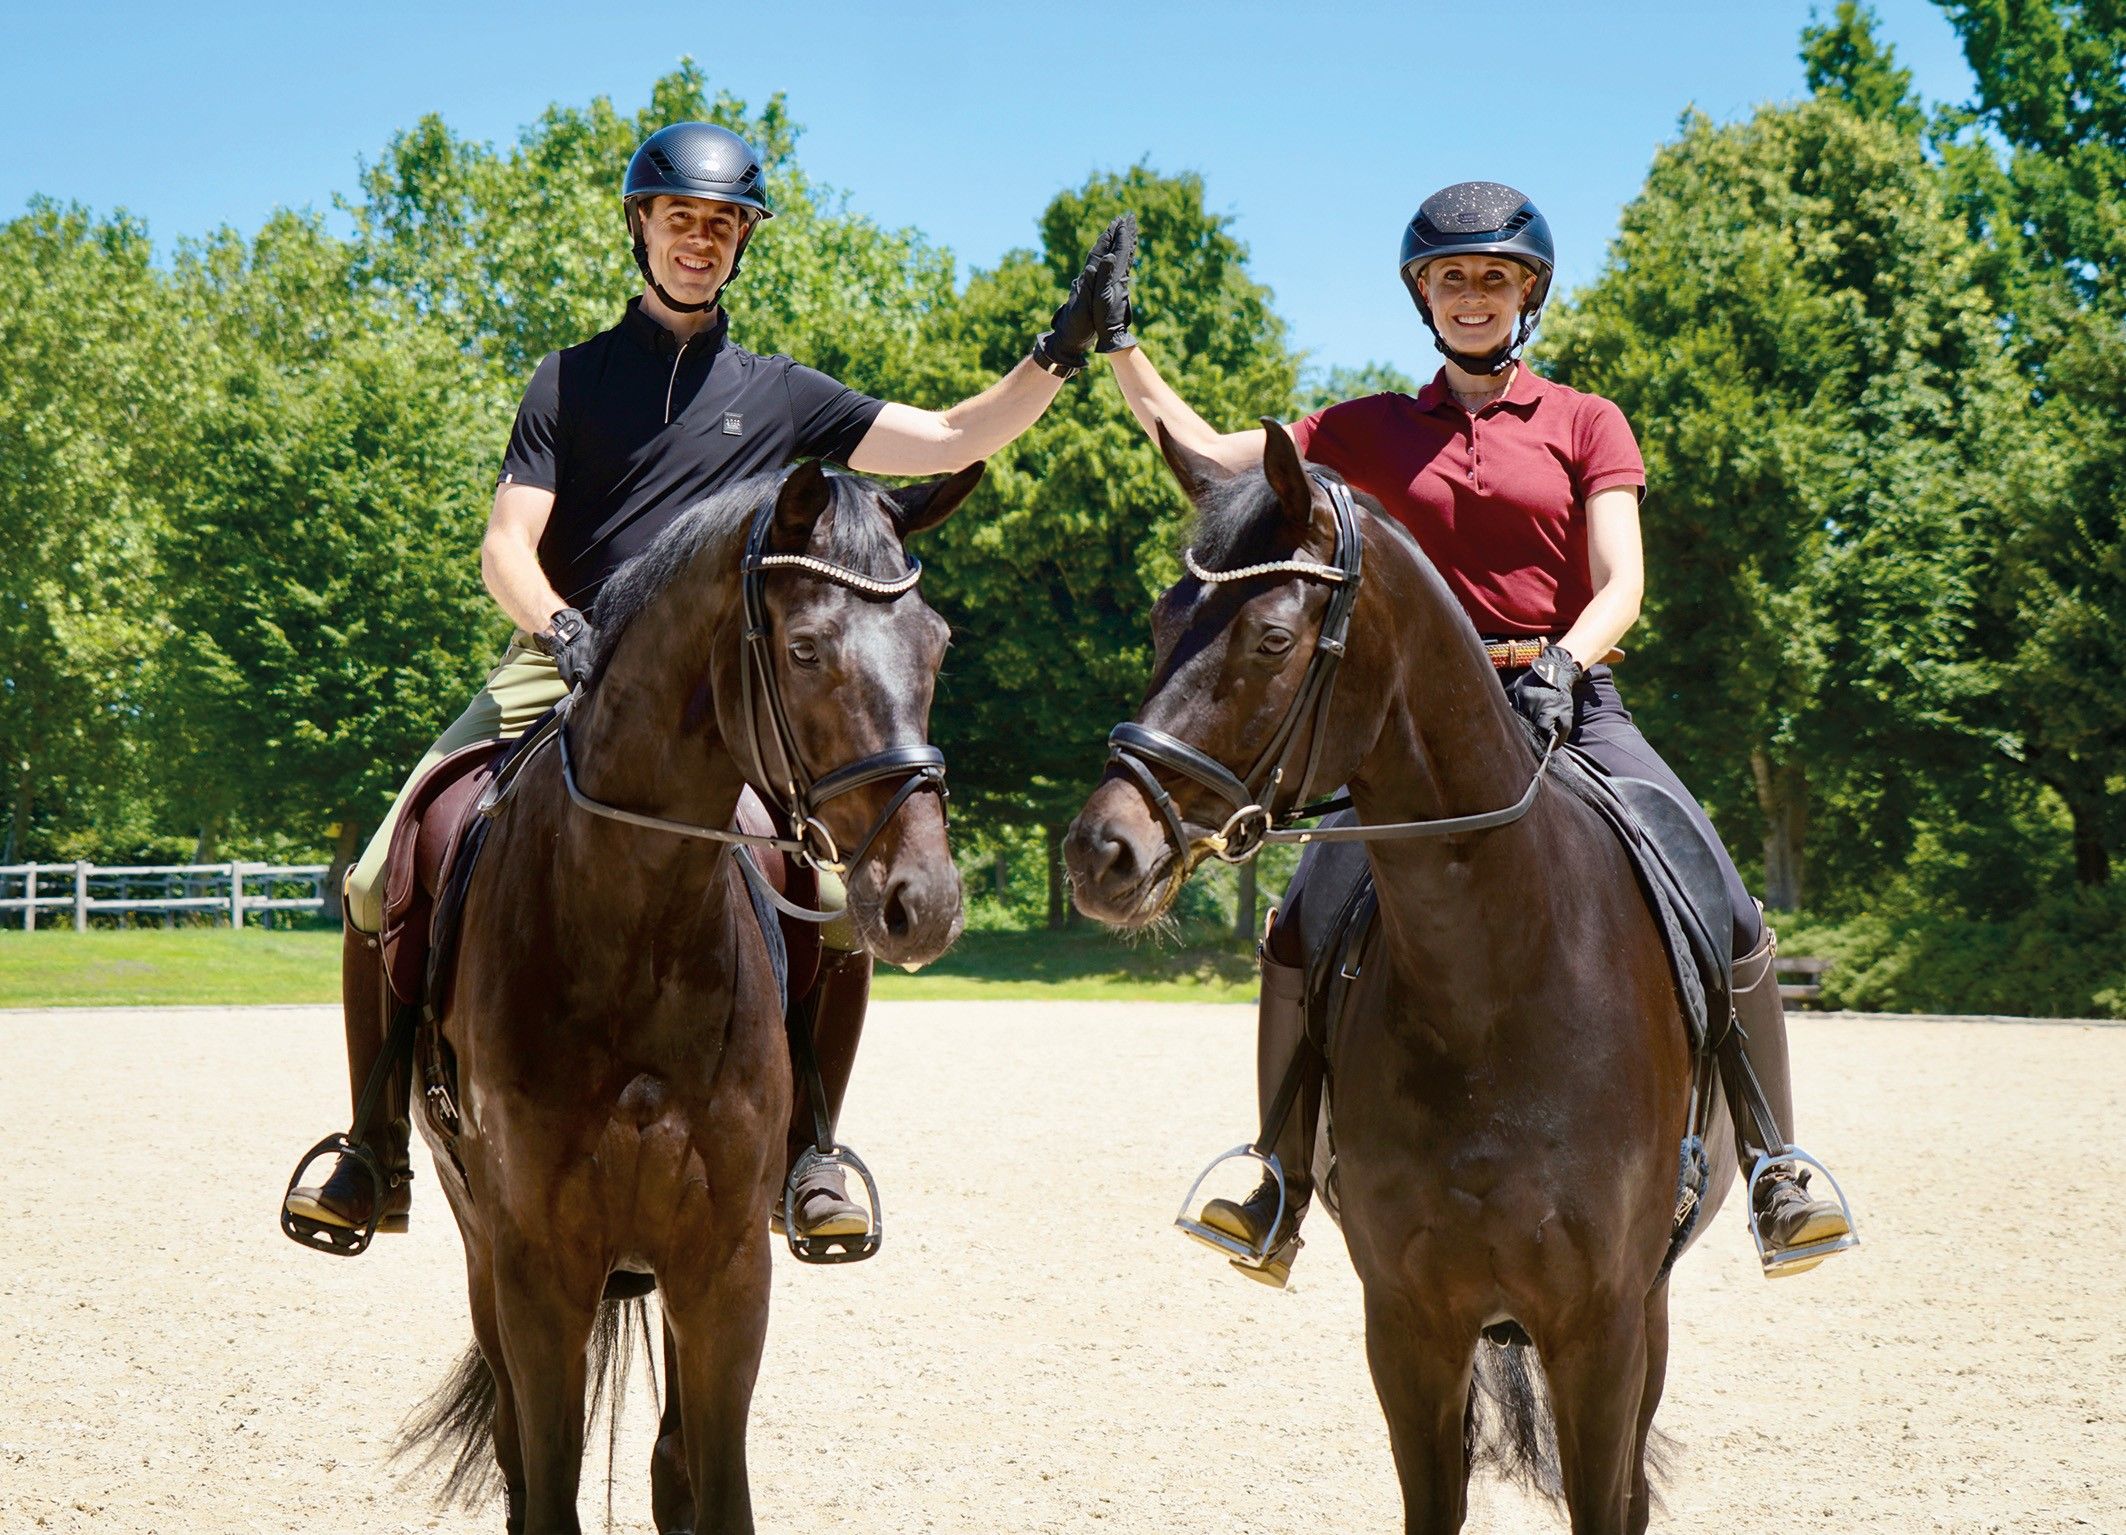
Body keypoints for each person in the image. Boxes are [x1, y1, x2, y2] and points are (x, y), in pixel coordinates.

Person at [285, 121, 1135, 1253]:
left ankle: (813, 1150)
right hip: (565, 661)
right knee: (386, 856)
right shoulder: (569, 381)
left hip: (724, 697)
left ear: (742, 245)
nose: (700, 241)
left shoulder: (780, 396)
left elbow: (945, 437)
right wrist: (562, 626)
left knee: (828, 893)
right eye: (681, 219)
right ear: (640, 227)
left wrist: (1060, 349)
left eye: (722, 225)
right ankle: (372, 1144)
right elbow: (505, 546)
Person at [1096, 182, 1853, 1286]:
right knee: (1302, 917)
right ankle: (1274, 1177)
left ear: (1526, 293)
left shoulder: (1585, 421)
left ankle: (1779, 1164)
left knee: (1715, 889)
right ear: (1423, 294)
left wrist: (1561, 661)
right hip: (1402, 728)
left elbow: (1620, 581)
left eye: (1492, 277)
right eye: (1450, 277)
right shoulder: (1358, 431)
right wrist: (1120, 347)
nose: (1470, 295)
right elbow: (1215, 458)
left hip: (1569, 702)